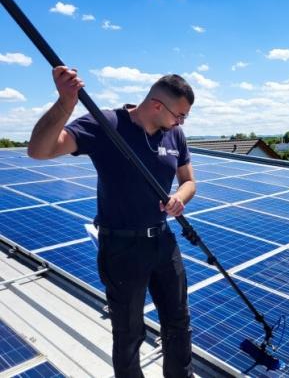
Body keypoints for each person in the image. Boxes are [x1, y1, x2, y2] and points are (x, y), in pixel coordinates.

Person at [28, 66, 196, 378]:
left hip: (162, 240)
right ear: (158, 105)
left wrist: (180, 199)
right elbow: (39, 150)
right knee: (129, 331)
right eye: (180, 115)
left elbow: (188, 181)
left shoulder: (175, 135)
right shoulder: (105, 124)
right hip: (121, 247)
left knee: (178, 322)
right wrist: (65, 103)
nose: (181, 122)